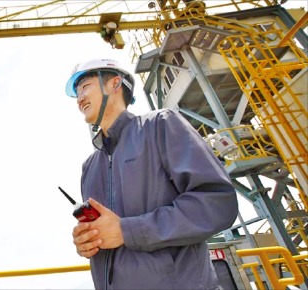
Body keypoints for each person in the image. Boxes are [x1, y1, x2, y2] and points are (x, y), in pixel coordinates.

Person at [65, 59, 238, 289]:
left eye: (85, 86)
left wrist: (127, 231)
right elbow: (107, 234)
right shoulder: (89, 167)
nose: (79, 99)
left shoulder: (160, 126)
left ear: (114, 84)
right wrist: (88, 242)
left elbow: (217, 202)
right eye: (77, 93)